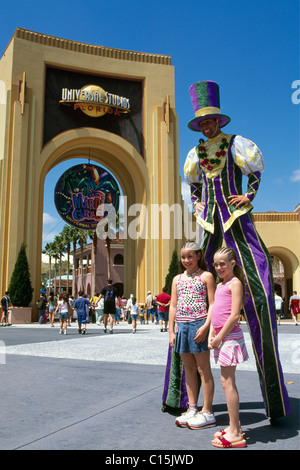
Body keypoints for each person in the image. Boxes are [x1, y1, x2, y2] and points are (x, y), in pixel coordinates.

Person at [184, 80, 290, 421]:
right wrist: (199, 206)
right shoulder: (196, 153)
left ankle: (275, 401)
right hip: (210, 225)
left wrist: (250, 195)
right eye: (201, 121)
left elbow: (255, 170)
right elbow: (194, 187)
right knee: (194, 292)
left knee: (259, 296)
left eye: (210, 119)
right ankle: (190, 401)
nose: (206, 125)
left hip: (237, 223)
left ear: (219, 120)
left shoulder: (235, 144)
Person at [169, 241, 216, 429]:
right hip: (182, 326)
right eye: (183, 256)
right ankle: (192, 408)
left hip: (198, 325)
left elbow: (212, 304)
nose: (186, 260)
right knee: (188, 368)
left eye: (190, 256)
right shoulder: (177, 279)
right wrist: (171, 331)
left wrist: (206, 327)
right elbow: (173, 305)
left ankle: (208, 411)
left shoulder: (207, 276)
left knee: (203, 369)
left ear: (198, 256)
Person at [209, 247, 248, 449]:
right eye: (216, 264)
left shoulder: (235, 283)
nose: (218, 267)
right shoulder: (221, 284)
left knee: (228, 383)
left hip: (229, 338)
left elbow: (234, 315)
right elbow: (215, 310)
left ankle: (235, 432)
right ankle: (235, 426)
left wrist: (219, 337)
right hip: (220, 338)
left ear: (233, 263)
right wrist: (211, 335)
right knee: (226, 382)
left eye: (222, 263)